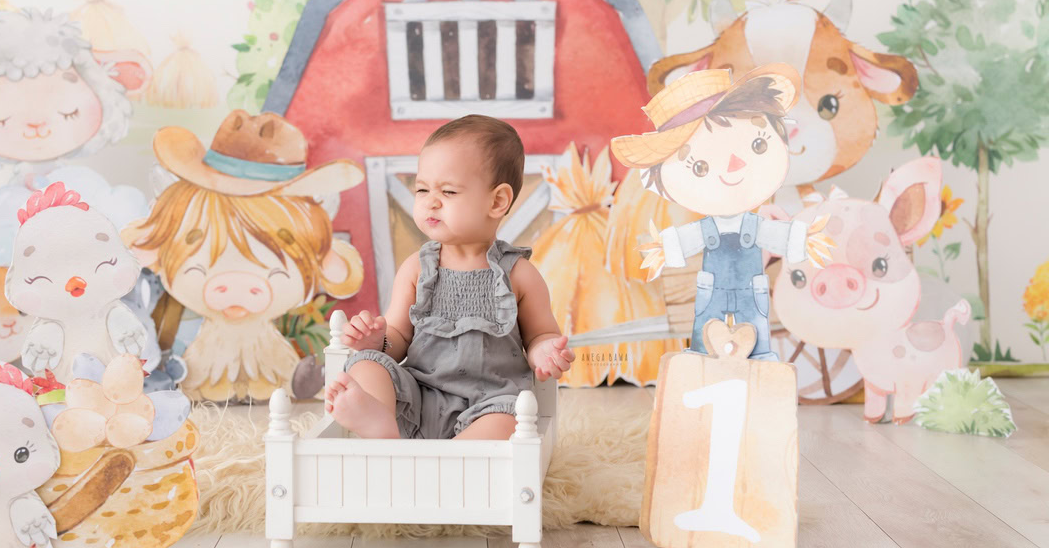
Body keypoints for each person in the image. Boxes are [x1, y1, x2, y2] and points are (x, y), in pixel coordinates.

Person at [324, 115, 574, 439]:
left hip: (488, 405)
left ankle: (448, 460)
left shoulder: (520, 275)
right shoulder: (417, 269)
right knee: (366, 365)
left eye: (449, 191)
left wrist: (545, 352)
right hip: (417, 397)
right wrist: (377, 341)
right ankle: (381, 427)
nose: (431, 200)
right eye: (423, 188)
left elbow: (540, 334)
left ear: (497, 201)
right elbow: (398, 336)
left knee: (510, 420)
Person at [610, 64, 834, 361]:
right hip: (710, 291)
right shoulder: (707, 226)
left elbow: (773, 233)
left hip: (751, 292)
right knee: (706, 329)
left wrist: (803, 240)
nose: (733, 166)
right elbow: (689, 238)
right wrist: (665, 248)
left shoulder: (755, 223)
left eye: (757, 143)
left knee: (755, 330)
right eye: (700, 167)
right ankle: (703, 357)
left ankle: (759, 360)